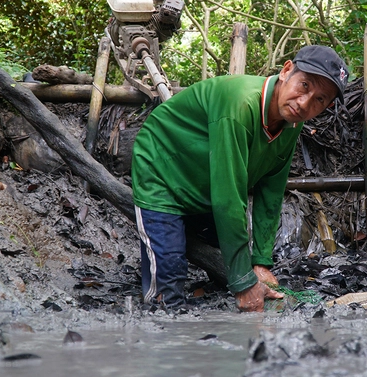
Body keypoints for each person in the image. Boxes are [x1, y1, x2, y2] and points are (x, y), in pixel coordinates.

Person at [131, 45, 348, 312]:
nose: (305, 103)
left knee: (230, 272)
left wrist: (261, 263)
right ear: (286, 71)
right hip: (162, 172)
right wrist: (244, 285)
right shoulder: (241, 103)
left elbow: (272, 188)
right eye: (304, 85)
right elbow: (228, 197)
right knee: (166, 300)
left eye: (319, 100)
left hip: (205, 186)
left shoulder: (292, 122)